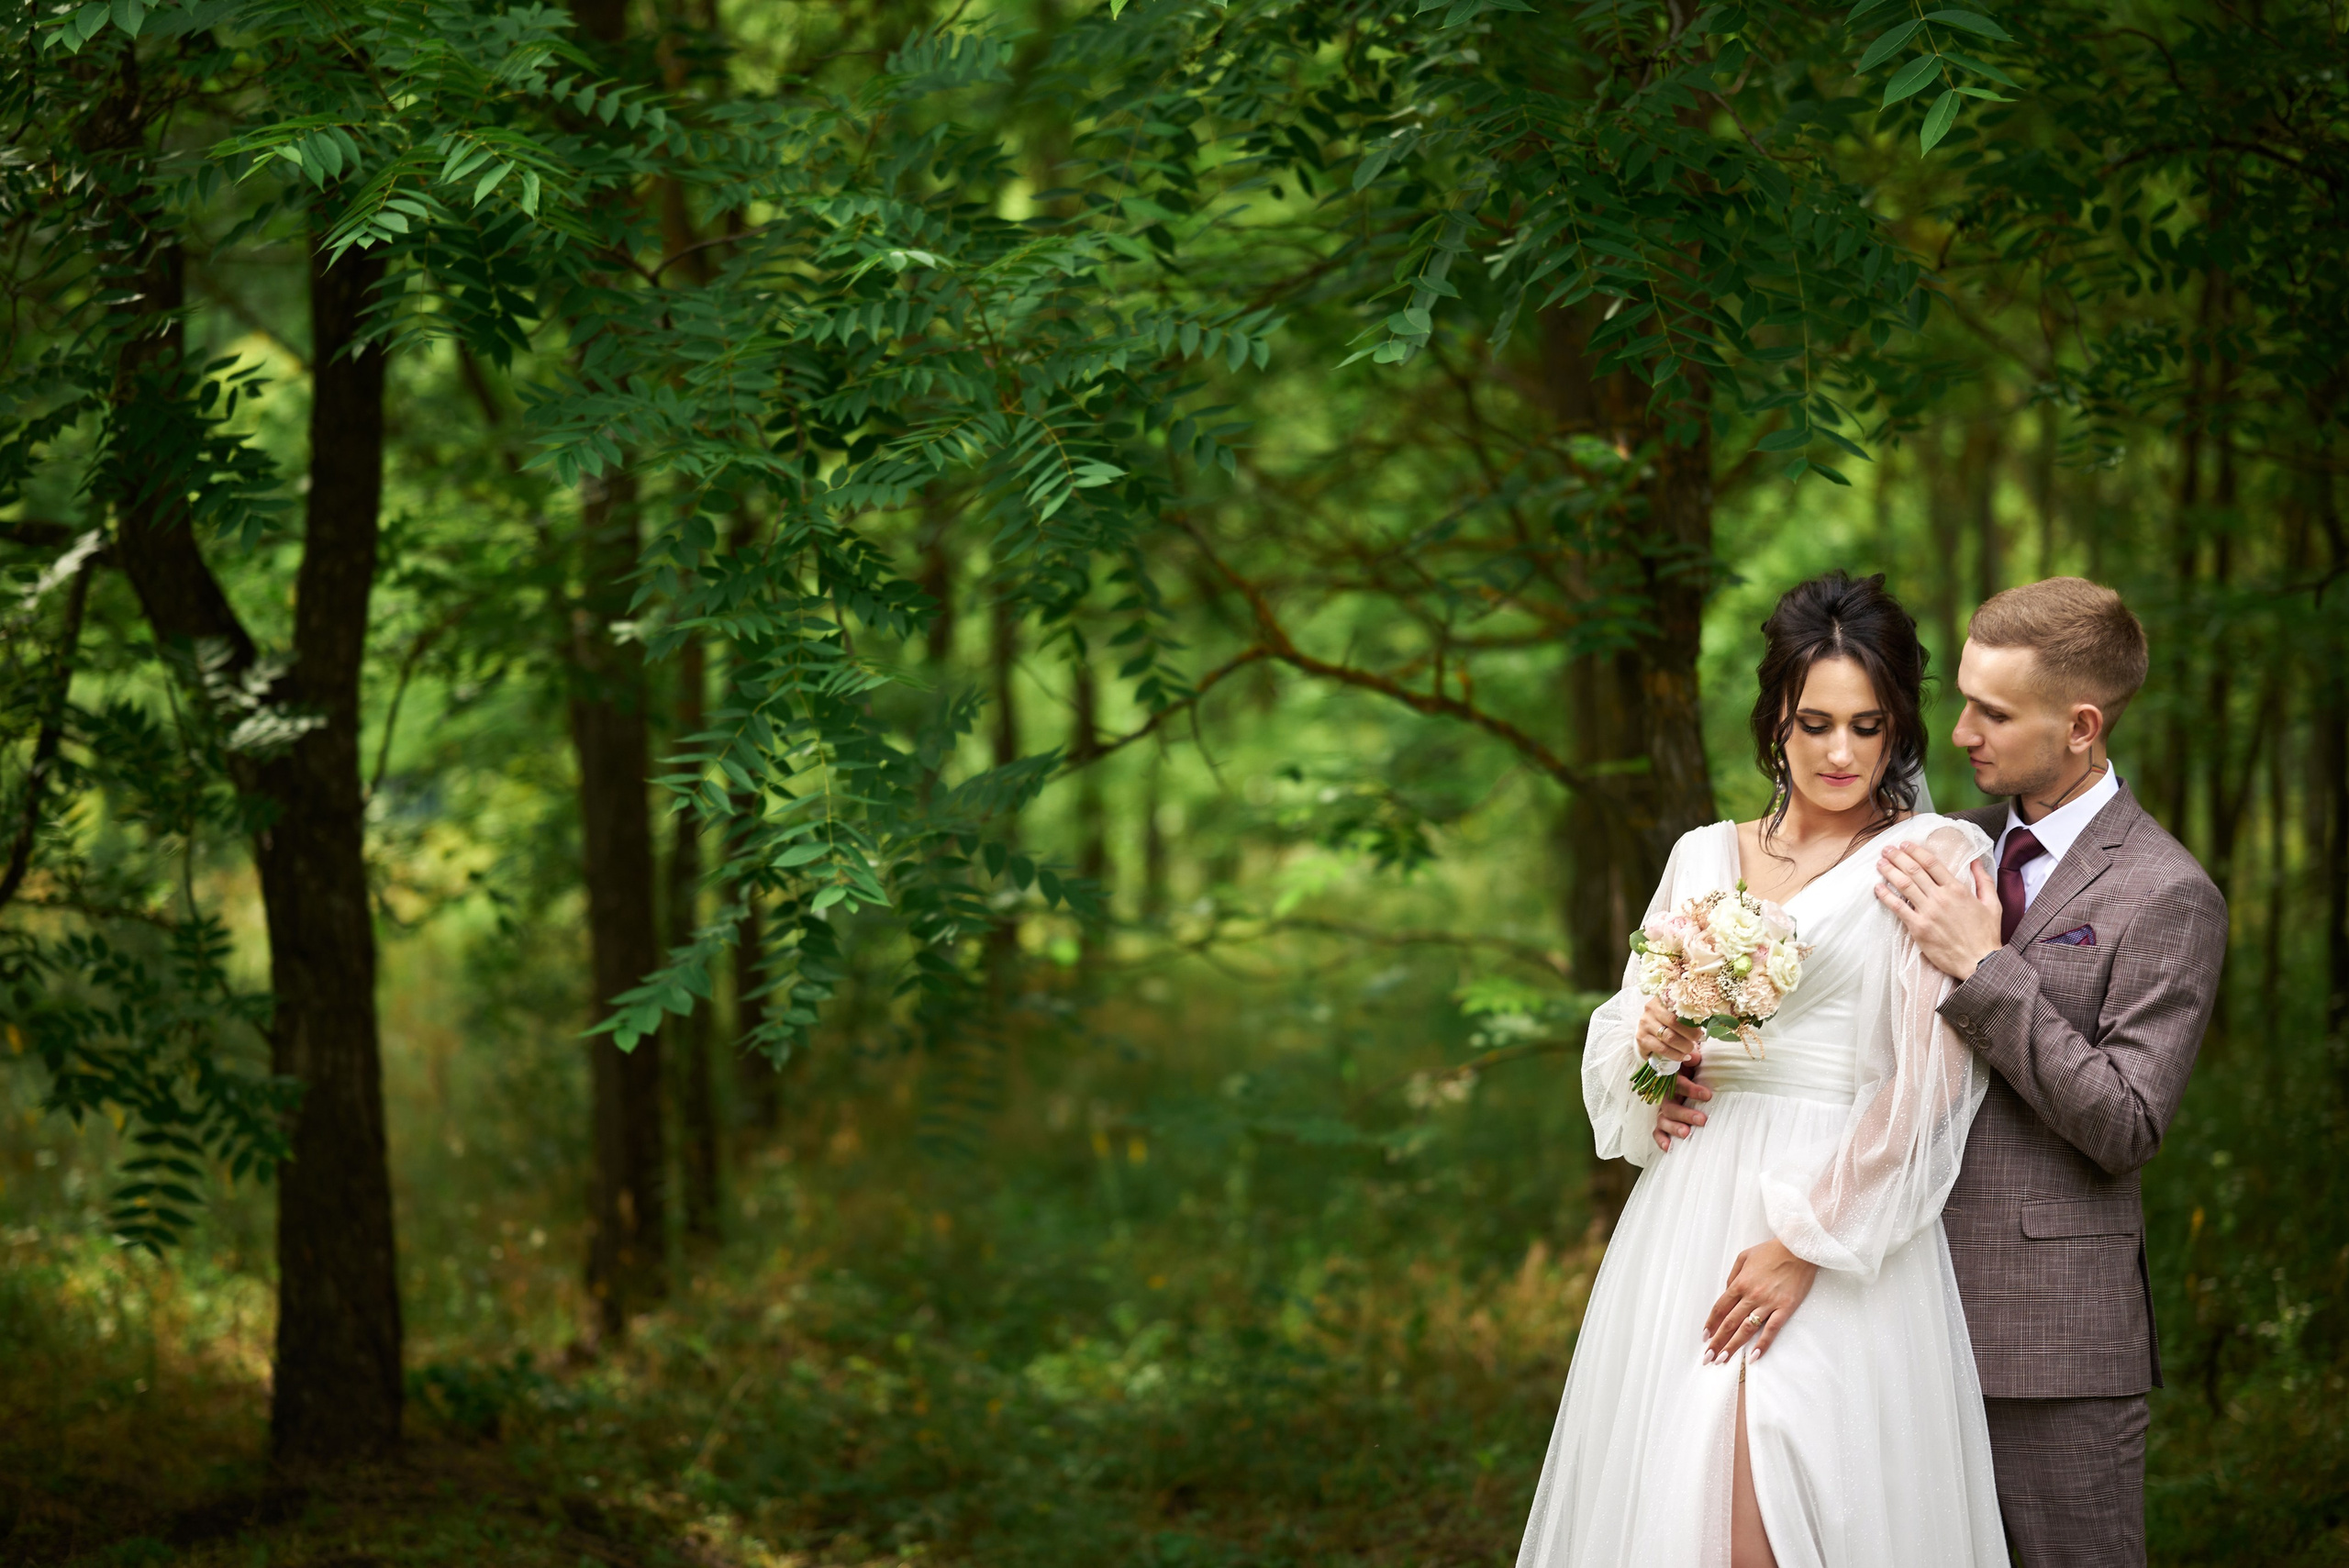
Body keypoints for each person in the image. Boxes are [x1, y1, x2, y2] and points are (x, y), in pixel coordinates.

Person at [1515, 571, 2009, 1568]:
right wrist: (1654, 1046)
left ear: (1898, 726)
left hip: (1841, 1215)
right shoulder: (1702, 854)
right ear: (1773, 716)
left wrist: (1802, 1242)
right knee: (1675, 1508)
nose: (1838, 752)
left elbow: (1933, 1083)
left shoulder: (1931, 855)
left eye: (1866, 726)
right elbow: (1627, 1031)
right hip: (1694, 1212)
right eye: (1812, 721)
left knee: (1782, 1499)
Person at [1870, 577, 2226, 1568]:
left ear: (2078, 724)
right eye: (1963, 697)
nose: (1959, 731)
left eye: (1992, 710)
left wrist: (1987, 968)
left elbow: (2124, 1120)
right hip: (1896, 1311)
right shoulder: (1950, 848)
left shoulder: (2167, 892)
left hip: (2052, 1344)